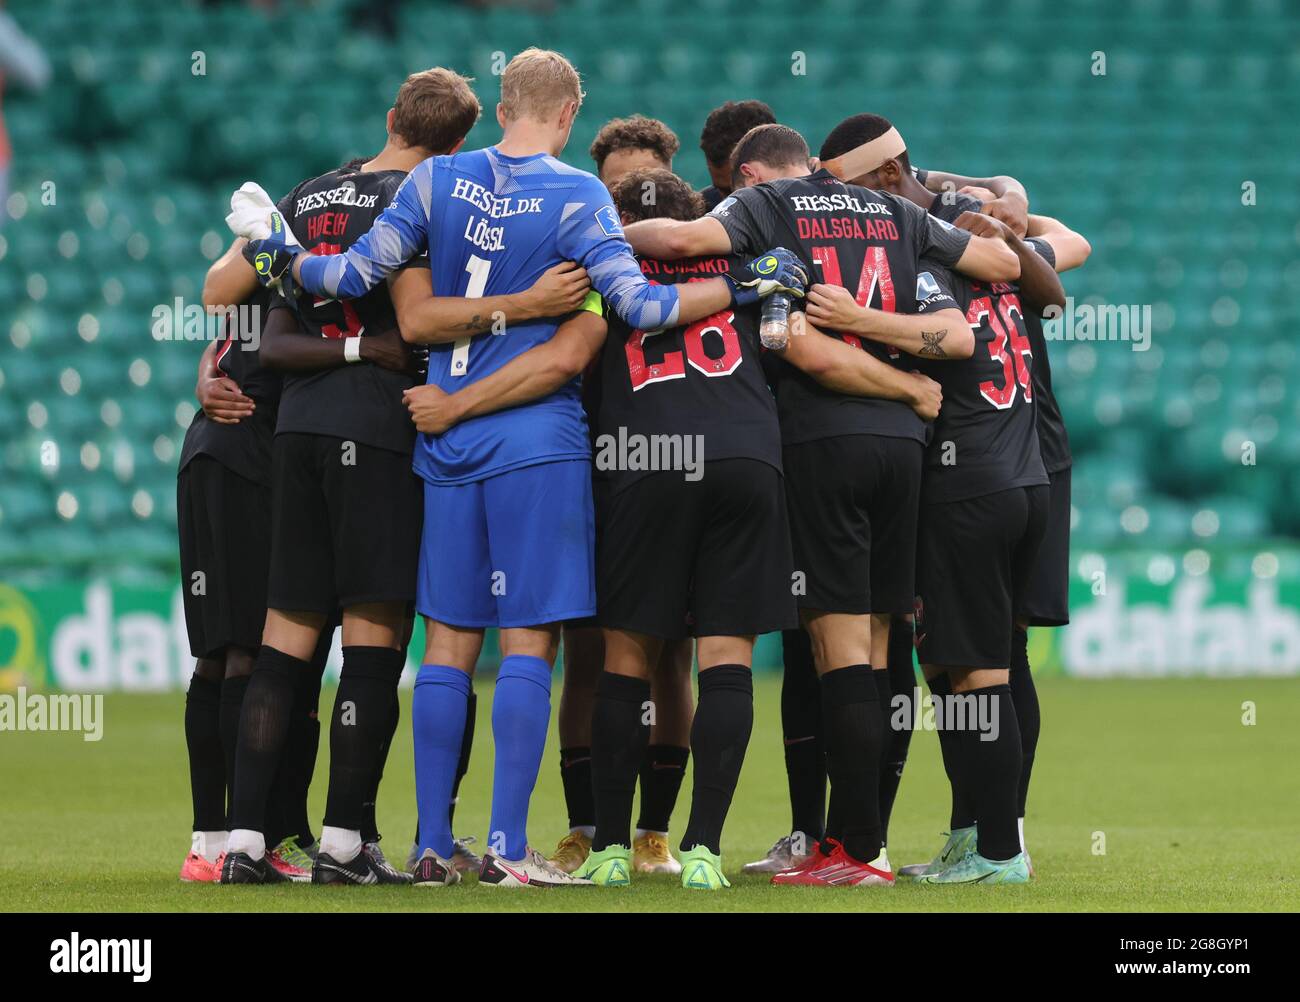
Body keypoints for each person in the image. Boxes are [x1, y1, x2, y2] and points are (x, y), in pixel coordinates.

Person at [236, 48, 805, 888]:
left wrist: (276, 257)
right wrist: (744, 285)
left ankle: (432, 844)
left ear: (504, 106)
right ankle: (505, 848)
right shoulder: (580, 195)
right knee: (529, 642)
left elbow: (350, 275)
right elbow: (642, 306)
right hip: (537, 441)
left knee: (448, 644)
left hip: (445, 438)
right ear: (570, 116)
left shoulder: (432, 185)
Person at [624, 121, 1019, 886]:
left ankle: (856, 849)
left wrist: (598, 224)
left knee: (837, 651)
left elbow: (675, 244)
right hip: (903, 449)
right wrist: (978, 201)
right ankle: (855, 844)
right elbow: (992, 271)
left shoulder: (764, 205)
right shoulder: (898, 212)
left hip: (818, 441)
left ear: (750, 175)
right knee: (878, 645)